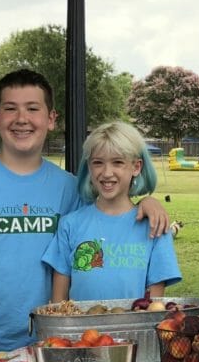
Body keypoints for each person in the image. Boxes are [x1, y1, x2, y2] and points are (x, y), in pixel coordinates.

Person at [0, 68, 168, 352]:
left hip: (56, 342)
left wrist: (147, 201)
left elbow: (112, 211)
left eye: (32, 109)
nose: (21, 119)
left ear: (51, 119)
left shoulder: (70, 188)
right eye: (10, 109)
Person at [42, 121, 181, 303]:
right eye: (98, 162)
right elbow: (58, 302)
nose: (107, 173)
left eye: (118, 162)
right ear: (89, 167)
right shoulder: (70, 225)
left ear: (136, 167)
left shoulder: (155, 227)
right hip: (80, 332)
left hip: (134, 331)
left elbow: (155, 307)